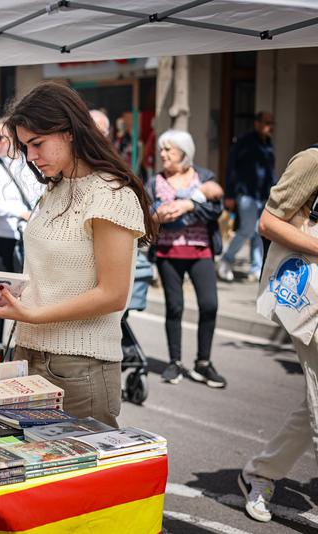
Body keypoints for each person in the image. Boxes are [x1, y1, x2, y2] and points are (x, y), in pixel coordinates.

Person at [0, 81, 155, 427]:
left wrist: (32, 315)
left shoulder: (110, 194)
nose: (31, 156)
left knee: (82, 474)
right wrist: (11, 294)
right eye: (26, 146)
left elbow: (114, 294)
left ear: (70, 131)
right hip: (30, 351)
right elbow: (55, 273)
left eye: (38, 144)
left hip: (79, 364)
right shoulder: (56, 188)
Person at [238, 144, 318, 523]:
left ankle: (261, 471)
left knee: (313, 405)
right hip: (313, 299)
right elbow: (269, 223)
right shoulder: (313, 160)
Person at [150, 130, 226, 388]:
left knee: (209, 305)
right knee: (175, 307)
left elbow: (217, 208)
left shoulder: (204, 177)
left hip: (200, 250)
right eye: (162, 150)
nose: (163, 155)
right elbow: (147, 213)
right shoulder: (154, 181)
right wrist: (159, 216)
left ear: (185, 153)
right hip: (168, 252)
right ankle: (175, 362)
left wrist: (189, 206)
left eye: (168, 150)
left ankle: (203, 363)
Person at [0, 120, 44, 347]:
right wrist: (22, 213)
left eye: (0, 138)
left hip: (23, 238)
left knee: (24, 293)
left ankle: (22, 340)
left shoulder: (27, 165)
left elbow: (39, 194)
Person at [218, 111, 276, 282]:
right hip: (246, 195)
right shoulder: (244, 142)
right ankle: (226, 260)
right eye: (266, 122)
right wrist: (229, 194)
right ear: (257, 123)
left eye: (272, 122)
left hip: (263, 195)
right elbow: (230, 168)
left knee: (260, 230)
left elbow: (270, 172)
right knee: (247, 229)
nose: (270, 126)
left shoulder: (268, 144)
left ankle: (256, 268)